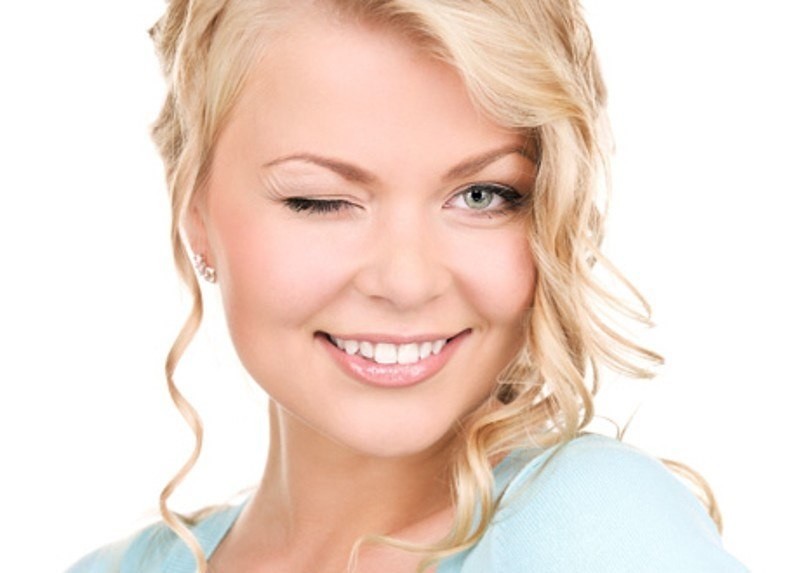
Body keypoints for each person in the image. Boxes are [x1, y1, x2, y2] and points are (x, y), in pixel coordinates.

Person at [68, 0, 748, 571]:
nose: (407, 281)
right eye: (322, 200)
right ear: (195, 209)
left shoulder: (594, 525)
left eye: (483, 195)